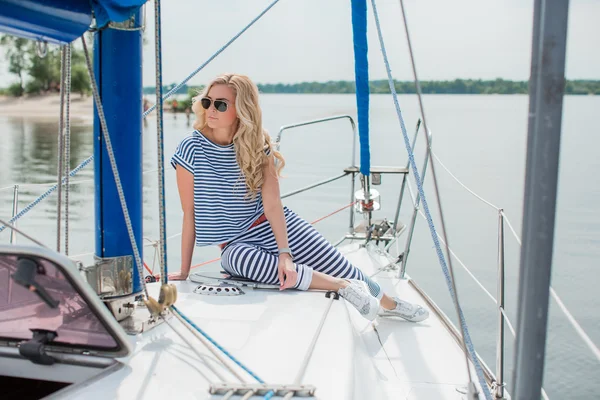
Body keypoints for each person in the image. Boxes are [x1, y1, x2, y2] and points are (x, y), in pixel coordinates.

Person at [169, 73, 429, 322]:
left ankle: (389, 304)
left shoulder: (258, 145)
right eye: (207, 102)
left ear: (241, 110)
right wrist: (184, 270)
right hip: (237, 245)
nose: (211, 109)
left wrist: (285, 253)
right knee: (234, 260)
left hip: (277, 227)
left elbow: (272, 205)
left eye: (220, 104)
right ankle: (341, 286)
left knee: (345, 267)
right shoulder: (191, 148)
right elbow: (189, 212)